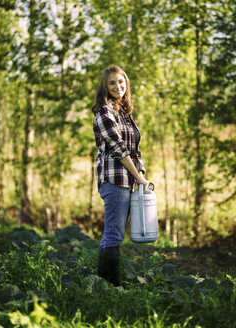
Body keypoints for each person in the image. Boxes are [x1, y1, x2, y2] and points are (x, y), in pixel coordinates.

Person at [92, 65, 149, 286]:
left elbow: (135, 149)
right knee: (114, 235)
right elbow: (119, 149)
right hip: (114, 179)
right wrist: (139, 177)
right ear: (105, 87)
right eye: (112, 83)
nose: (118, 86)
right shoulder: (104, 112)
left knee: (114, 234)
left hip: (128, 180)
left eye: (121, 81)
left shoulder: (125, 114)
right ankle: (110, 288)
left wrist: (141, 172)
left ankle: (102, 284)